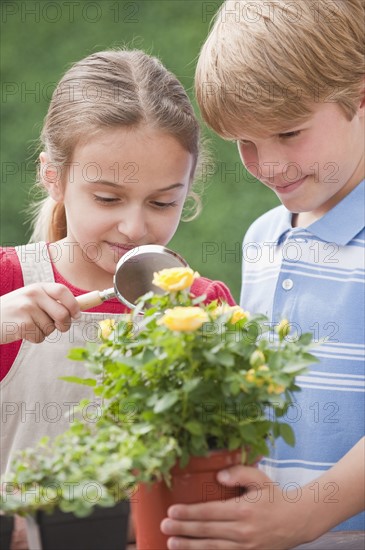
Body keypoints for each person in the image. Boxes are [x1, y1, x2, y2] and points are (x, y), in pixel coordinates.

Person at [160, 0, 365, 548]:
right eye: (245, 143)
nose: (267, 166)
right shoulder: (262, 239)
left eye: (290, 134)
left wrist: (304, 514)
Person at [0, 49, 236, 476]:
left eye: (162, 202)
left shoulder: (203, 306)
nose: (133, 227)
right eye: (108, 199)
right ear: (53, 177)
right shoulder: (7, 284)